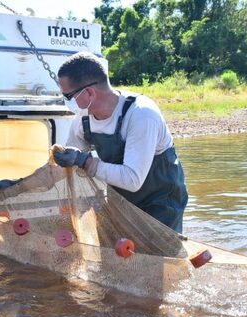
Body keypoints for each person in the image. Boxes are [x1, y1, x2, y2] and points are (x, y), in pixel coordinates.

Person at [53, 51, 188, 233]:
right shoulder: (83, 119)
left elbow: (132, 179)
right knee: (117, 254)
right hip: (121, 200)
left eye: (68, 96)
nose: (67, 102)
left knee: (158, 259)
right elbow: (67, 162)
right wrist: (20, 184)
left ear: (89, 93)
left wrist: (86, 162)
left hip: (161, 203)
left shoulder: (141, 115)